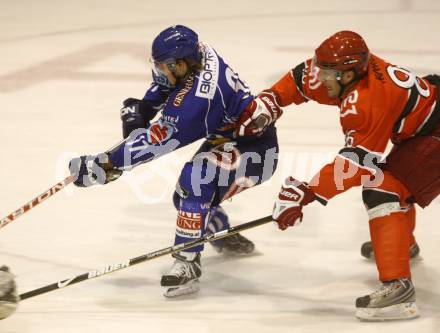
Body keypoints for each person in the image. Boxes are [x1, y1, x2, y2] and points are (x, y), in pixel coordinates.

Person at [68, 25, 282, 297]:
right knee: (184, 200)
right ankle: (223, 234)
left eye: (164, 66)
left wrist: (107, 164)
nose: (159, 72)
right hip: (230, 141)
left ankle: (187, 262)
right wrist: (146, 107)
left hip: (257, 152)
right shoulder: (197, 53)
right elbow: (169, 86)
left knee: (195, 180)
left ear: (181, 64)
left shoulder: (200, 99)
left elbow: (157, 141)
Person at [263, 31, 439, 321]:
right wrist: (272, 98)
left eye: (328, 73)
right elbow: (300, 78)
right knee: (393, 181)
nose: (322, 78)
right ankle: (399, 243)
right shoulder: (349, 73)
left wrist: (308, 192)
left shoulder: (368, 101)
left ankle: (398, 290)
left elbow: (356, 165)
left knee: (383, 189)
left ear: (348, 74)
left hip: (435, 134)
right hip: (424, 125)